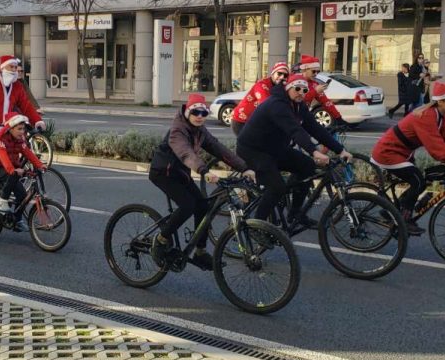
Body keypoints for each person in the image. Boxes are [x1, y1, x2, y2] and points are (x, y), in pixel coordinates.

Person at [150, 94, 256, 271]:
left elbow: (219, 149)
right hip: (163, 173)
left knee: (203, 207)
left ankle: (200, 252)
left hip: (181, 174)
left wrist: (244, 168)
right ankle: (161, 240)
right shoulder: (178, 130)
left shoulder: (200, 130)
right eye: (196, 112)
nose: (200, 116)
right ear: (187, 112)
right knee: (188, 206)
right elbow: (186, 154)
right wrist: (203, 170)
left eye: (204, 112)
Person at [237, 74, 353, 228]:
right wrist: (314, 151)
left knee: (307, 166)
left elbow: (316, 129)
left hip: (274, 148)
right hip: (253, 149)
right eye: (297, 88)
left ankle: (295, 212)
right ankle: (258, 226)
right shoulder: (277, 104)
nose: (301, 92)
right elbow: (295, 131)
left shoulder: (299, 106)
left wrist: (340, 150)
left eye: (304, 90)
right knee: (276, 187)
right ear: (288, 88)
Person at [371, 81, 445, 235]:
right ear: (440, 101)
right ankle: (403, 220)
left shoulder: (440, 117)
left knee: (421, 181)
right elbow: (435, 145)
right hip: (388, 152)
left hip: (403, 153)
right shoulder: (427, 116)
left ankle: (390, 212)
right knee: (418, 180)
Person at [0, 112, 47, 232]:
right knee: (12, 174)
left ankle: (17, 221)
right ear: (10, 128)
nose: (22, 131)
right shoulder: (2, 140)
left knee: (22, 196)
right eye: (19, 129)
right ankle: (2, 201)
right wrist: (13, 170)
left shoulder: (19, 141)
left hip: (10, 170)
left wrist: (40, 165)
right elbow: (4, 159)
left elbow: (28, 153)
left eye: (23, 129)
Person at [230, 61, 290, 136]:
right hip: (241, 121)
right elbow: (267, 106)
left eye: (285, 75)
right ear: (273, 73)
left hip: (255, 122)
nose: (282, 77)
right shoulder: (262, 85)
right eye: (279, 73)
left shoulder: (280, 87)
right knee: (250, 146)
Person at [295, 55, 346, 126]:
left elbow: (326, 102)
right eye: (313, 71)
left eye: (318, 72)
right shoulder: (296, 81)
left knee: (323, 134)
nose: (316, 74)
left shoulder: (314, 84)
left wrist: (338, 117)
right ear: (305, 69)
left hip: (303, 115)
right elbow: (298, 100)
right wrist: (315, 91)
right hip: (292, 116)